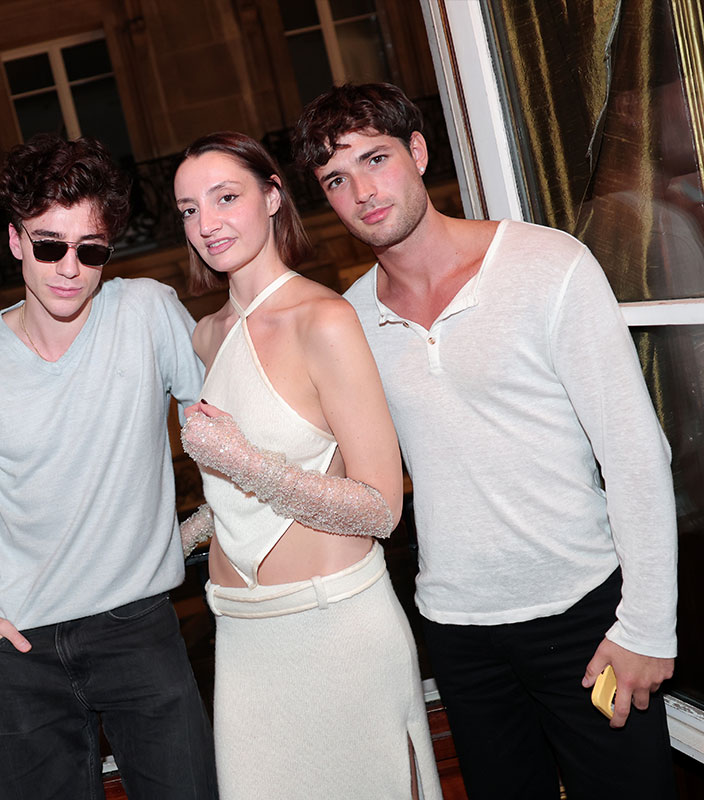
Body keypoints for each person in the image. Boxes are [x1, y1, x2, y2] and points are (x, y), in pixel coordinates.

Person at [292, 82, 678, 800]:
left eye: (375, 159)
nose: (363, 192)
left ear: (417, 151)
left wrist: (648, 627)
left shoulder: (546, 263)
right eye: (336, 179)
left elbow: (634, 453)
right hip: (457, 631)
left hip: (584, 613)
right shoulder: (349, 320)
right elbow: (342, 479)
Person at [0, 134, 218, 800]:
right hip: (18, 646)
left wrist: (225, 525)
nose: (69, 268)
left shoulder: (146, 311)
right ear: (15, 241)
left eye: (90, 250)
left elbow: (215, 421)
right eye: (49, 246)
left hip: (136, 629)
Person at [173, 131, 442, 800]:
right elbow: (238, 493)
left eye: (225, 198)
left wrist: (247, 463)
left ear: (272, 197)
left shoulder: (323, 319)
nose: (207, 225)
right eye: (189, 210)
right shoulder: (206, 335)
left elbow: (381, 507)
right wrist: (177, 538)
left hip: (336, 627)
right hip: (240, 634)